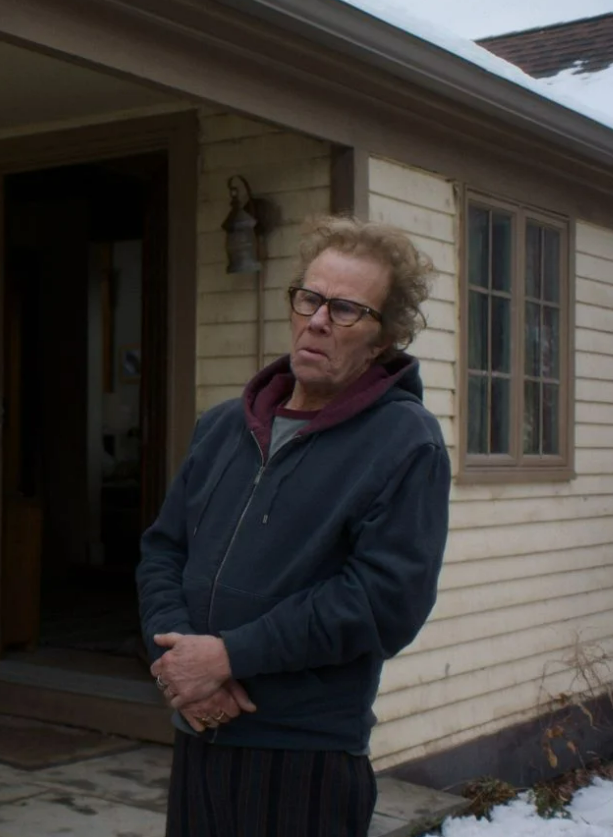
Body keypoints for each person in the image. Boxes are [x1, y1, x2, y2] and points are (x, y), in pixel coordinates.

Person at [136, 215, 450, 837]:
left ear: (384, 338)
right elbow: (163, 551)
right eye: (310, 298)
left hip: (303, 757)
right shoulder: (222, 427)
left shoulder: (404, 442)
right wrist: (183, 663)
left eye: (346, 309)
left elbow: (384, 600)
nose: (318, 320)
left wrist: (230, 656)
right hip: (198, 733)